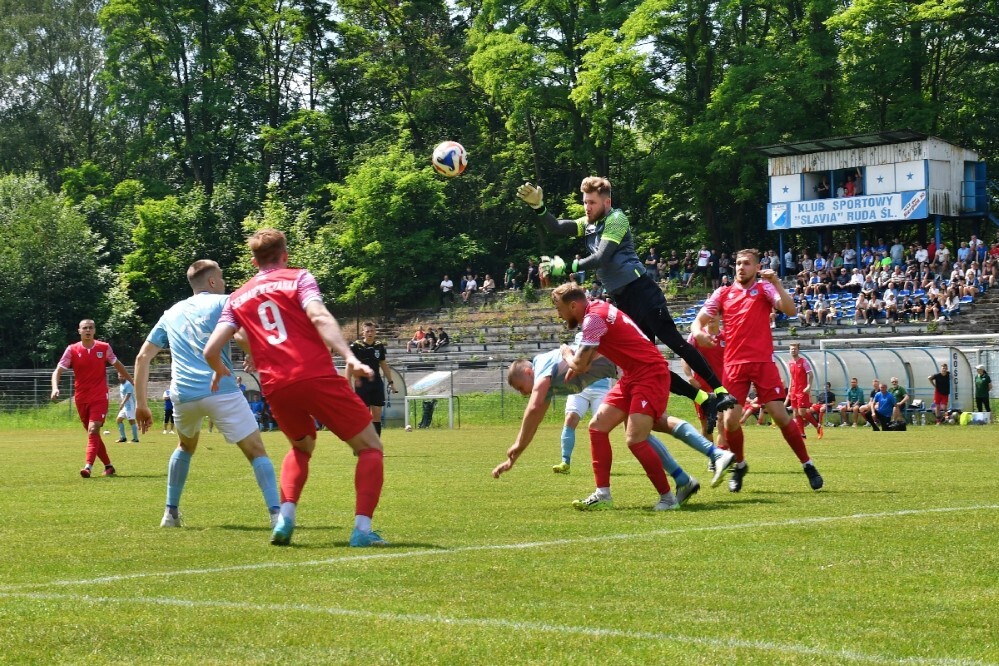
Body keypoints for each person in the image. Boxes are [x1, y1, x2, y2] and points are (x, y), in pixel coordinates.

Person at [203, 228, 388, 548]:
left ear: (253, 262)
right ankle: (361, 530)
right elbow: (318, 315)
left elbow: (210, 349)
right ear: (284, 256)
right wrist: (349, 357)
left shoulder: (236, 298)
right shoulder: (299, 278)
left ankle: (285, 518)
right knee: (370, 447)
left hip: (276, 386)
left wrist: (220, 371)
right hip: (315, 374)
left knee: (301, 448)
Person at [516, 178, 737, 420]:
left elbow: (601, 257)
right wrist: (539, 207)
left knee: (676, 343)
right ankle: (704, 400)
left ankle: (721, 390)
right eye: (584, 203)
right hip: (623, 300)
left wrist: (567, 266)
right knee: (647, 364)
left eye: (592, 202)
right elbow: (557, 226)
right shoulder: (589, 224)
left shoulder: (616, 219)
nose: (586, 207)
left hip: (642, 291)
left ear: (606, 202)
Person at [494, 283, 681, 511]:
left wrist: (567, 353)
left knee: (635, 439)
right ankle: (603, 494)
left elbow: (579, 365)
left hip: (649, 373)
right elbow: (584, 363)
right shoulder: (596, 313)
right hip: (632, 375)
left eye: (560, 309)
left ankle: (669, 498)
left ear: (573, 305)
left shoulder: (593, 319)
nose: (559, 315)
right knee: (597, 427)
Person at [133, 259, 281, 529]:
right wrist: (256, 355)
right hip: (220, 389)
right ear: (212, 282)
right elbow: (240, 336)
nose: (224, 282)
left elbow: (143, 356)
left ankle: (170, 514)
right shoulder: (225, 301)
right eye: (221, 277)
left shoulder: (171, 313)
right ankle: (276, 515)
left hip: (183, 395)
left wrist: (141, 405)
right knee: (256, 449)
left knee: (185, 447)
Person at [500, 344, 734, 499]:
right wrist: (517, 452)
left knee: (643, 430)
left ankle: (704, 463)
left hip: (630, 369)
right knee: (641, 428)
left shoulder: (540, 364)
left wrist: (518, 445)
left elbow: (533, 407)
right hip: (625, 372)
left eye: (521, 388)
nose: (523, 394)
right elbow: (536, 415)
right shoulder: (545, 379)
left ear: (528, 372)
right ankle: (687, 477)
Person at [691, 249, 823, 492]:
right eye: (738, 263)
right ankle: (740, 465)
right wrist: (699, 333)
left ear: (757, 266)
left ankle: (808, 464)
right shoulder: (723, 293)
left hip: (762, 363)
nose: (741, 267)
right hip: (733, 366)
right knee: (730, 422)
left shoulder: (765, 288)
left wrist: (777, 283)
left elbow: (791, 310)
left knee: (780, 415)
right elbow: (697, 321)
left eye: (747, 263)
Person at [51, 319, 132, 478]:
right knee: (92, 434)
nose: (88, 330)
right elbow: (57, 371)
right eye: (84, 328)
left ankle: (88, 467)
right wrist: (55, 387)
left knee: (93, 429)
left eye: (90, 328)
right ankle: (109, 466)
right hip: (81, 397)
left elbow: (117, 364)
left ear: (94, 330)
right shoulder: (72, 350)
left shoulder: (104, 347)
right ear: (79, 331)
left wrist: (131, 379)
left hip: (100, 395)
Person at [348, 321, 395, 437]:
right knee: (363, 414)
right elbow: (349, 366)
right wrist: (348, 383)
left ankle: (376, 446)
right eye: (367, 331)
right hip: (362, 384)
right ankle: (361, 444)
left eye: (372, 331)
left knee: (377, 413)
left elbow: (384, 364)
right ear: (363, 332)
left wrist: (391, 382)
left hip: (376, 383)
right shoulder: (356, 346)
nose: (370, 333)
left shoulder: (379, 346)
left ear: (375, 332)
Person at [787, 343, 823, 439]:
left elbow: (811, 375)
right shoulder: (790, 363)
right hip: (794, 391)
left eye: (794, 349)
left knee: (802, 412)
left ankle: (817, 426)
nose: (793, 351)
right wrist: (789, 390)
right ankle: (802, 434)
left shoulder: (804, 362)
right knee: (795, 413)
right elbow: (791, 378)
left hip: (802, 390)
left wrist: (808, 386)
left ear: (798, 350)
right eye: (791, 349)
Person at [114, 373, 140, 443]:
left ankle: (135, 439)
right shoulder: (121, 385)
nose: (121, 377)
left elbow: (128, 395)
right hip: (125, 407)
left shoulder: (128, 384)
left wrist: (122, 403)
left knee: (131, 421)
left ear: (125, 377)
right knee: (118, 420)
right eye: (120, 376)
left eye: (122, 376)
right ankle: (123, 438)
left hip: (130, 406)